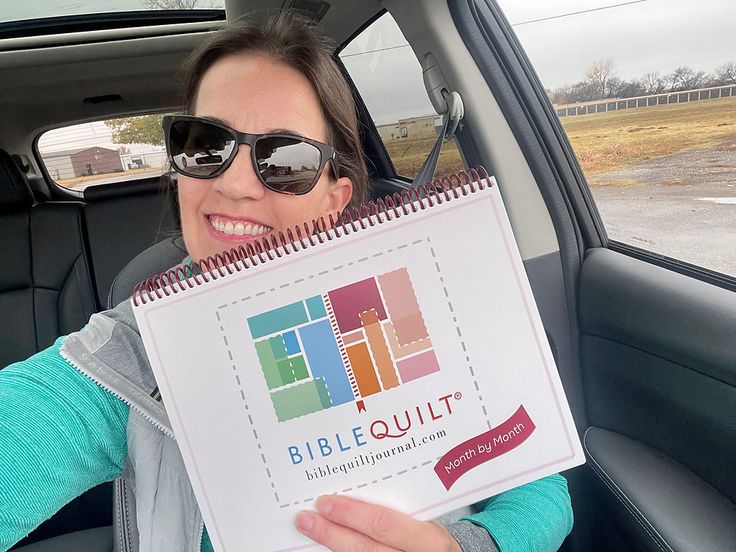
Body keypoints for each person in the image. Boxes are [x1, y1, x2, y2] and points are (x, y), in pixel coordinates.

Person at [0, 12, 573, 552]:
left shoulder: (425, 300)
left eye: (286, 159)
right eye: (206, 145)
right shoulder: (134, 350)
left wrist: (470, 544)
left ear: (336, 198)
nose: (235, 185)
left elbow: (540, 488)